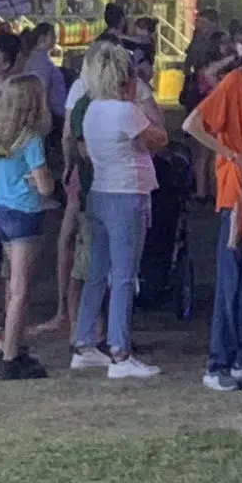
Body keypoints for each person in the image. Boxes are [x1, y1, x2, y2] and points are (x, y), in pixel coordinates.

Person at [184, 20, 242, 392]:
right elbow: (193, 124)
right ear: (239, 48)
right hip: (236, 192)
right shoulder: (234, 84)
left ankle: (240, 357)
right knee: (231, 281)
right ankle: (218, 362)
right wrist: (230, 154)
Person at [71, 40, 165, 380]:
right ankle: (120, 350)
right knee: (125, 274)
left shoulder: (94, 108)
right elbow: (158, 137)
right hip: (128, 191)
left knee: (97, 271)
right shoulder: (126, 111)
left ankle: (84, 341)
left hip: (100, 189)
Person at [0, 73, 54, 380]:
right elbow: (45, 186)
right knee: (21, 289)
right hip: (25, 212)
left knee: (13, 283)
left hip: (2, 209)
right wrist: (45, 179)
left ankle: (15, 344)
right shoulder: (31, 139)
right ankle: (11, 356)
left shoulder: (0, 135)